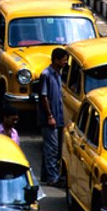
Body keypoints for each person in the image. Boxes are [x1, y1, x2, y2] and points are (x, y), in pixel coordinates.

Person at [38, 48, 69, 186]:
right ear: (56, 60)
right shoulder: (46, 75)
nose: (65, 62)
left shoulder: (58, 74)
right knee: (52, 149)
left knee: (52, 149)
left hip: (58, 117)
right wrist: (50, 116)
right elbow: (44, 97)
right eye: (64, 59)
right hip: (50, 119)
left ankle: (47, 175)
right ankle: (52, 178)